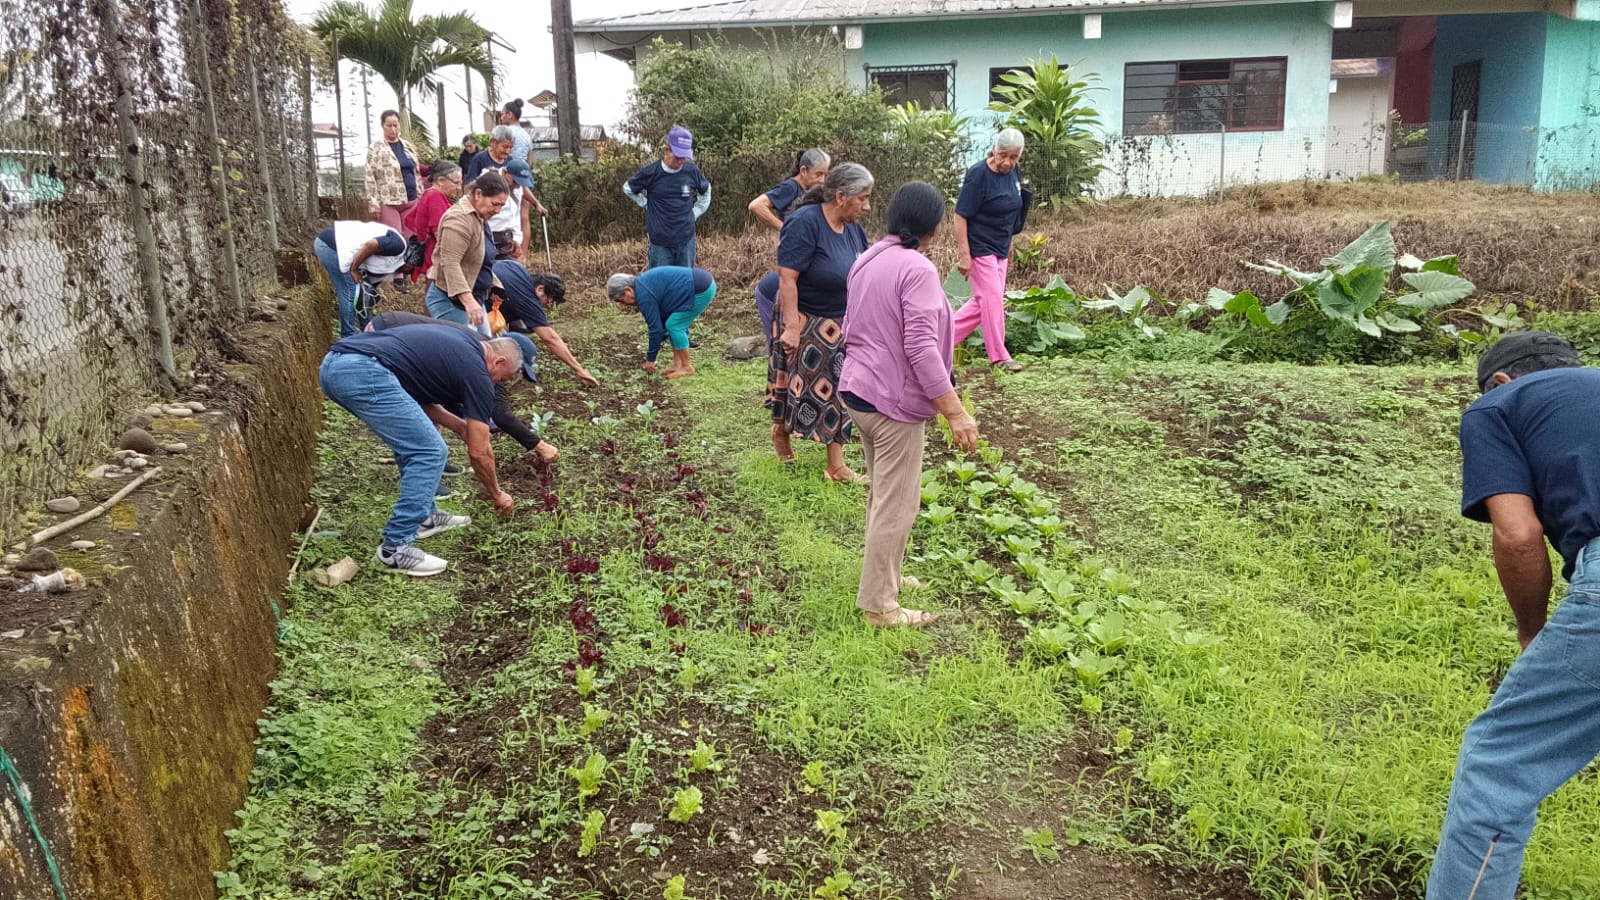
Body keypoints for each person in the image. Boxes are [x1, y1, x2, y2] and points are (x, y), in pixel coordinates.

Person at [1425, 331, 1600, 900]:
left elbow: (1519, 534)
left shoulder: (1499, 403)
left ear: (1499, 381)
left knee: (1498, 766)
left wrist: (1532, 631)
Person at [840, 181, 980, 629]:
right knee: (898, 504)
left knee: (886, 495)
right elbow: (920, 347)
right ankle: (880, 606)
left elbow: (853, 325)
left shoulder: (867, 258)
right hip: (891, 402)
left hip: (859, 392)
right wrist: (955, 411)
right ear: (934, 227)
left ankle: (889, 577)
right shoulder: (916, 268)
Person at [318, 323, 523, 576]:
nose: (496, 384)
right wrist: (497, 493)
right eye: (501, 378)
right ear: (498, 361)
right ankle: (394, 549)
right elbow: (480, 452)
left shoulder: (464, 345)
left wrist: (459, 426)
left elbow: (416, 396)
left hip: (337, 365)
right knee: (430, 452)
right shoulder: (478, 371)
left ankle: (425, 517)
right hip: (362, 372)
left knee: (414, 444)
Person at [767, 162, 873, 482]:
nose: (867, 206)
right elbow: (787, 277)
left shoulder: (853, 229)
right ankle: (781, 431)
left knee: (839, 389)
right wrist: (792, 328)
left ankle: (835, 465)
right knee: (794, 384)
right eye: (862, 198)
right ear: (840, 197)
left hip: (840, 321)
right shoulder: (805, 222)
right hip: (805, 318)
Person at [367, 311, 561, 464]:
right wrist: (539, 445)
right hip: (385, 335)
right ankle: (423, 464)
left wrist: (466, 424)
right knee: (416, 418)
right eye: (517, 370)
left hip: (393, 335)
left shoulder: (485, 350)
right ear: (507, 357)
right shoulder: (483, 361)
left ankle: (434, 463)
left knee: (428, 406)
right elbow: (499, 413)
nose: (512, 378)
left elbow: (450, 393)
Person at [952, 129, 1029, 373]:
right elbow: (959, 215)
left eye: (1013, 157)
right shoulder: (979, 175)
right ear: (994, 150)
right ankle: (1000, 357)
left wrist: (1008, 244)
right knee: (992, 300)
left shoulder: (1013, 172)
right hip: (980, 246)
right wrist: (965, 255)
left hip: (1000, 248)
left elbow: (1012, 208)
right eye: (1002, 155)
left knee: (983, 304)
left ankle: (935, 340)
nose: (1007, 162)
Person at [491, 262, 598, 386]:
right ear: (540, 289)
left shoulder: (516, 267)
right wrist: (579, 370)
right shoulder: (528, 299)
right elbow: (550, 339)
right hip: (476, 309)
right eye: (548, 303)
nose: (545, 308)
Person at [425, 172, 508, 332]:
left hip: (474, 299)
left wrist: (494, 285)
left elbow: (479, 258)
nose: (497, 210)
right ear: (478, 194)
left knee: (485, 344)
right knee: (469, 345)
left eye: (501, 206)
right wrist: (468, 301)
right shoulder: (458, 219)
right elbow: (450, 262)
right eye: (495, 204)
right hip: (452, 302)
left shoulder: (480, 217)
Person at [623, 126, 711, 269]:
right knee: (660, 281)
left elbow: (706, 191)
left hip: (686, 243)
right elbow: (628, 188)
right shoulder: (651, 172)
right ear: (666, 151)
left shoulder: (691, 171)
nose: (681, 161)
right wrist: (646, 203)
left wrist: (695, 212)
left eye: (684, 157)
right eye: (678, 156)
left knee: (684, 280)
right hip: (660, 245)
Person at [606, 266, 716, 379]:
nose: (623, 304)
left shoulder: (643, 295)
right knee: (671, 323)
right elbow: (661, 321)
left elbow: (655, 329)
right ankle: (677, 365)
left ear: (628, 290)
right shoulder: (643, 286)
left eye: (620, 300)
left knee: (675, 325)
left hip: (700, 289)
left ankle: (687, 367)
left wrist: (651, 359)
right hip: (697, 284)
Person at [312, 220, 407, 337]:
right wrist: (354, 269)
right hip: (331, 246)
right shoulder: (398, 245)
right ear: (411, 261)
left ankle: (367, 331)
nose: (406, 274)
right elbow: (371, 245)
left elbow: (366, 292)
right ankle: (348, 336)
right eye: (410, 272)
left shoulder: (393, 263)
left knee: (363, 292)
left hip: (341, 250)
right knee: (349, 291)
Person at [402, 160, 463, 285]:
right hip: (437, 261)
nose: (459, 188)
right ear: (441, 180)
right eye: (456, 183)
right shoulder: (435, 197)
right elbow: (440, 233)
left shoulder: (431, 194)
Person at [365, 110, 422, 239]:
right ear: (382, 126)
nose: (393, 129)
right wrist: (374, 203)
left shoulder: (408, 147)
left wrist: (420, 196)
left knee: (411, 239)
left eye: (395, 125)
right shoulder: (376, 148)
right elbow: (370, 176)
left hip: (411, 200)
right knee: (396, 240)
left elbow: (416, 172)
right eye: (389, 126)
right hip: (389, 202)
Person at [748, 148, 831, 231]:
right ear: (803, 171)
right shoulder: (790, 187)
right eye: (818, 174)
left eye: (825, 175)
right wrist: (785, 229)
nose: (822, 180)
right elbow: (756, 205)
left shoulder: (808, 190)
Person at [485, 160, 537, 261]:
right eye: (515, 182)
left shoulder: (517, 189)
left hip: (507, 243)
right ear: (505, 173)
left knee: (512, 269)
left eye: (520, 184)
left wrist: (517, 239)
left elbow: (515, 216)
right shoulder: (489, 181)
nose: (517, 186)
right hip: (487, 239)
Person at [498, 99, 534, 167]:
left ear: (509, 114)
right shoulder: (527, 136)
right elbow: (529, 162)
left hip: (506, 171)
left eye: (502, 114)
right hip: (522, 172)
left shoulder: (504, 132)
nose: (501, 118)